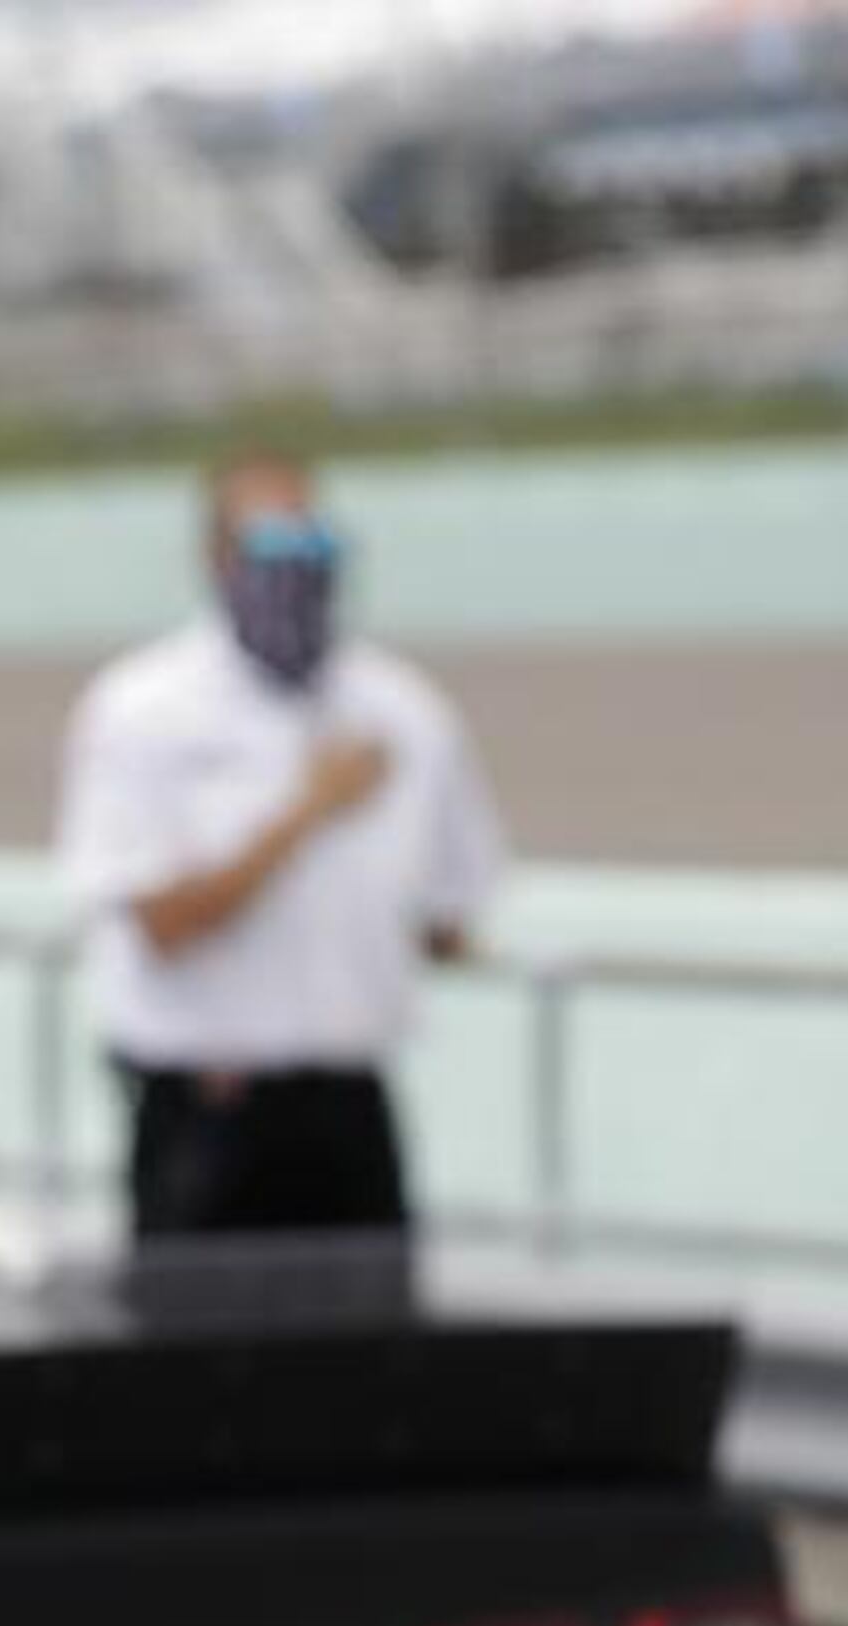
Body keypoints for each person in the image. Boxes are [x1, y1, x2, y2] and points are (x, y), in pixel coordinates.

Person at [53, 450, 508, 1245]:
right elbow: (162, 921)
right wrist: (308, 811)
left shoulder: (402, 708)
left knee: (368, 1318)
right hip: (206, 1104)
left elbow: (448, 916)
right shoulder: (145, 709)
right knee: (198, 1319)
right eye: (271, 549)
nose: (297, 572)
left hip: (350, 1098)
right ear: (217, 557)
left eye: (314, 547)